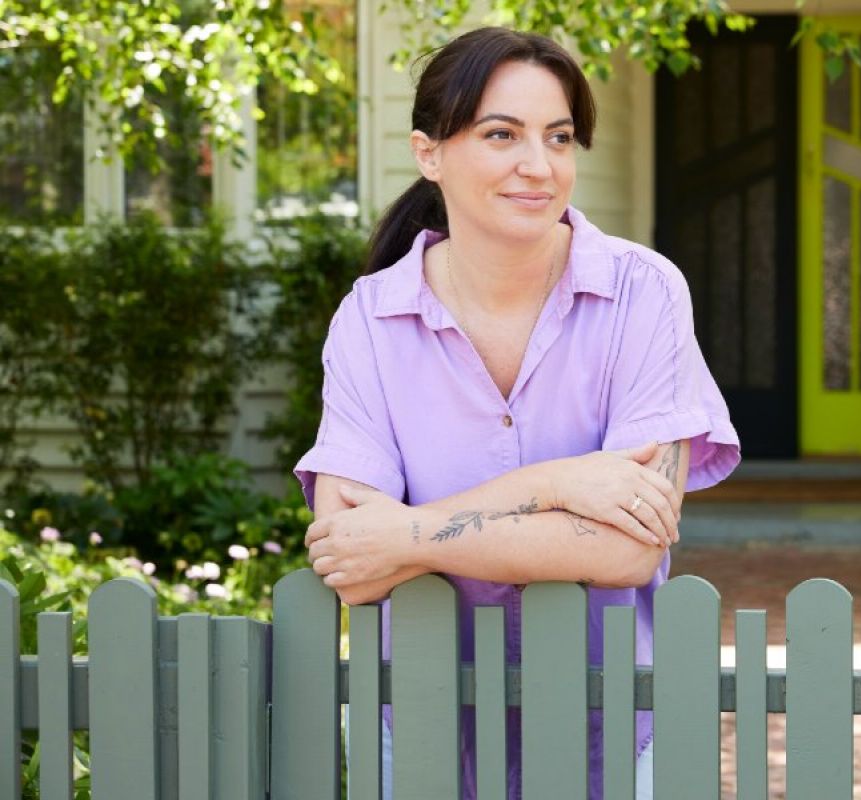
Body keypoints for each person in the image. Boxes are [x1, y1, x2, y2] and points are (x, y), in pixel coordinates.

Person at [296, 26, 739, 800]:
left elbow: (626, 553)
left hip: (612, 724)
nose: (538, 167)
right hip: (427, 723)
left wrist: (403, 532)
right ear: (429, 153)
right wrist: (563, 482)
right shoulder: (369, 318)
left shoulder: (644, 292)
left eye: (558, 137)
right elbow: (347, 559)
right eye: (501, 134)